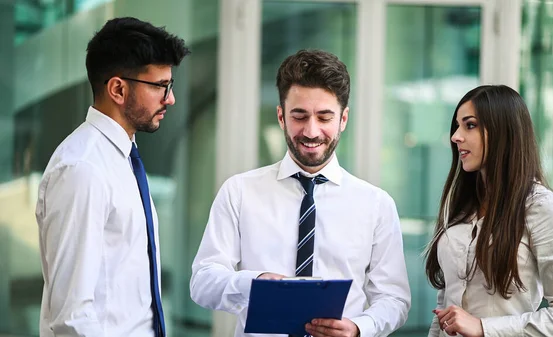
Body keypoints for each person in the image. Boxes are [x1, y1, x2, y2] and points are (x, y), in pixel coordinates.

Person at [189, 49, 411, 337]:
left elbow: (394, 299)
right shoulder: (239, 192)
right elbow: (202, 283)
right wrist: (257, 284)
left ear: (343, 119)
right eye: (299, 116)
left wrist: (358, 328)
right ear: (281, 117)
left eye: (324, 117)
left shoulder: (376, 204)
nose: (311, 131)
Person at [35, 17, 190, 337]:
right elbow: (72, 317)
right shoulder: (82, 170)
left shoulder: (123, 160)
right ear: (118, 89)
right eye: (161, 86)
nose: (170, 99)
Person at [424, 85, 553, 337]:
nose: (455, 136)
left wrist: (483, 328)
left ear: (503, 132)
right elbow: (445, 308)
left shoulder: (543, 209)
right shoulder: (462, 206)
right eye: (457, 126)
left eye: (470, 125)